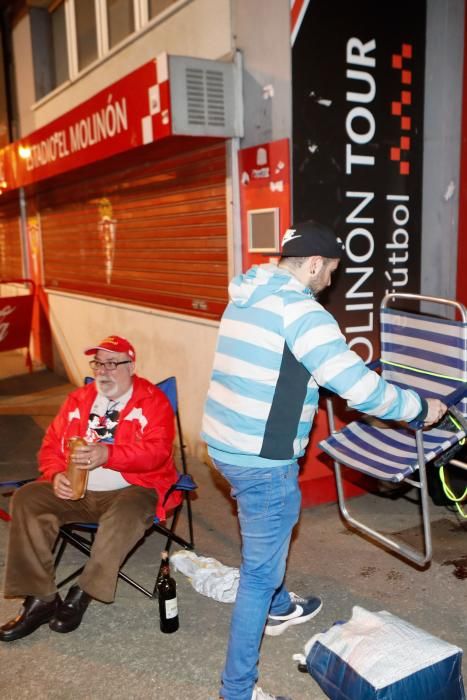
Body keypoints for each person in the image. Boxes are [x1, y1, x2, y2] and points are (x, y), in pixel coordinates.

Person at [201, 220, 447, 700]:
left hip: (224, 444)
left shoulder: (247, 295)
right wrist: (420, 408)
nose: (331, 282)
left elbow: (286, 365)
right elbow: (356, 389)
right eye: (331, 271)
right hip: (262, 459)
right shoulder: (303, 313)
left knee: (269, 538)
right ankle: (237, 690)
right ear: (314, 264)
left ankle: (279, 607)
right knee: (258, 571)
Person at [0, 335, 180, 642]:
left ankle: (83, 591)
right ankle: (41, 597)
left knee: (124, 516)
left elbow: (158, 452)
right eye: (98, 363)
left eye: (113, 363)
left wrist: (109, 454)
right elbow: (49, 448)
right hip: (79, 489)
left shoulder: (152, 401)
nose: (103, 370)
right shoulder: (79, 400)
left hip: (134, 487)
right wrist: (56, 473)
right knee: (27, 498)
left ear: (131, 366)